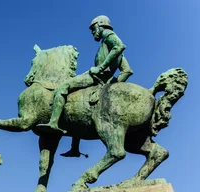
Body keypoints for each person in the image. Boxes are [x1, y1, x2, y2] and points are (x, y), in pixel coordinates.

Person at [39, 15, 133, 157]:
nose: (92, 32)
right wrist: (111, 84)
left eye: (93, 28)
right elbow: (127, 71)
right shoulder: (115, 53)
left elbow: (119, 46)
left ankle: (53, 123)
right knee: (75, 101)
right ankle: (75, 148)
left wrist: (100, 68)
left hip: (95, 76)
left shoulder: (108, 35)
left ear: (100, 25)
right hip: (103, 81)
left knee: (62, 88)